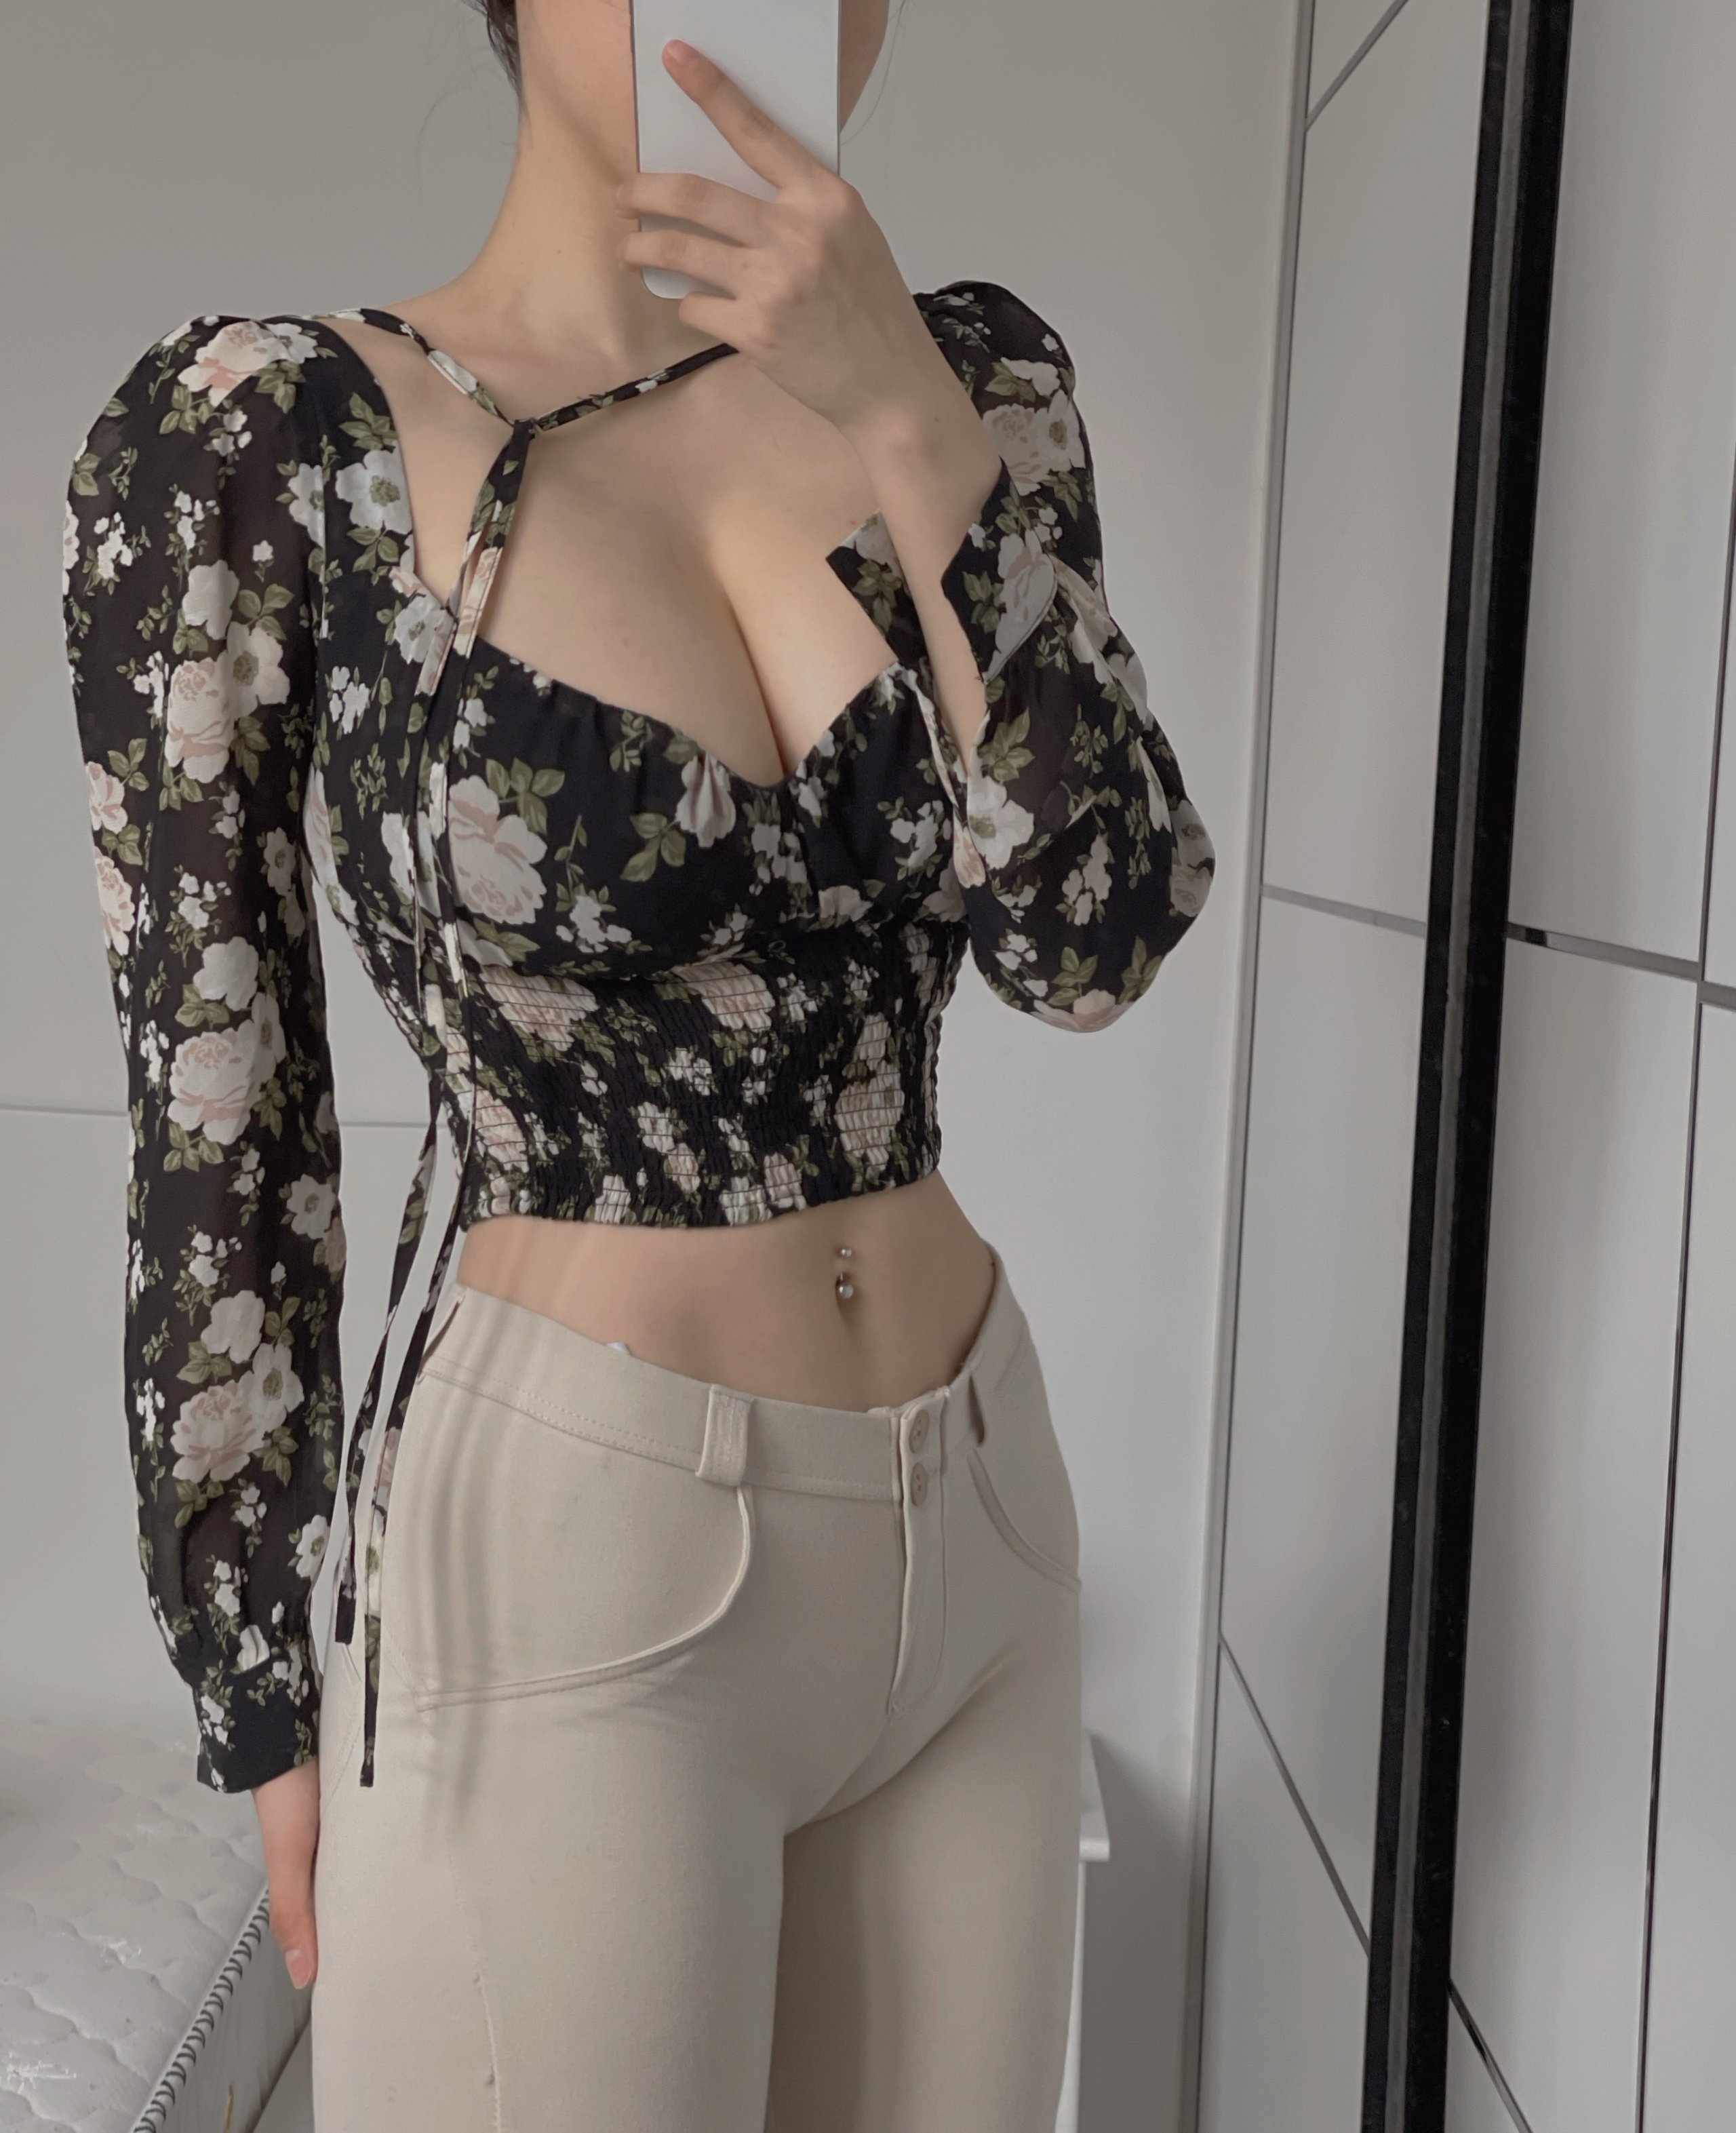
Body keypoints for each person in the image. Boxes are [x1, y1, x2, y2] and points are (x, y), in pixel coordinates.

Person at [61, 0, 1212, 2124]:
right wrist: (257, 1672)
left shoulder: (976, 382)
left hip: (977, 1525)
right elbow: (219, 1106)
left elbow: (1093, 938)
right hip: (571, 1564)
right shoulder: (266, 437)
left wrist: (913, 426)